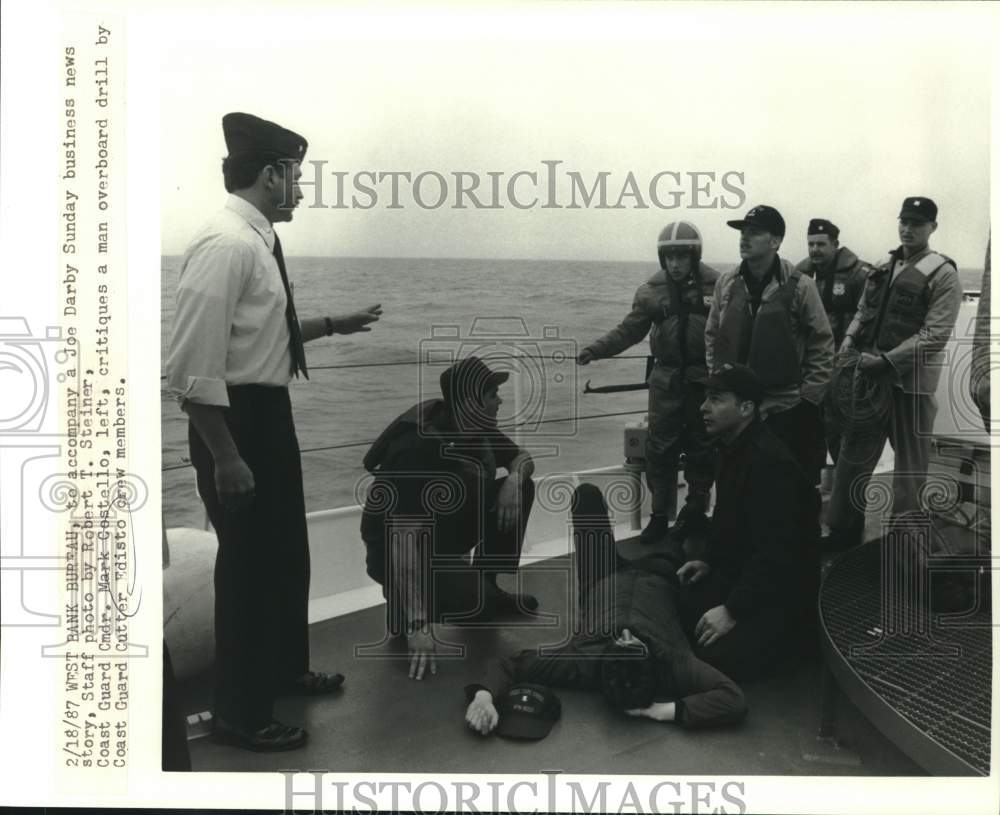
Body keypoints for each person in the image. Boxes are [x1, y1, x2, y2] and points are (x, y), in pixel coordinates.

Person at [165, 112, 383, 752]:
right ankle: (239, 712)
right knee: (248, 573)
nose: (302, 190)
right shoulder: (227, 245)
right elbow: (190, 370)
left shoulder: (254, 239)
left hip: (268, 413)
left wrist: (333, 324)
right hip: (236, 425)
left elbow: (258, 335)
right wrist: (226, 457)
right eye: (295, 176)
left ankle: (283, 670)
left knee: (287, 556)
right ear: (270, 174)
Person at [464, 481, 747, 734]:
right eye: (633, 642)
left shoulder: (580, 663)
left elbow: (510, 661)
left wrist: (484, 697)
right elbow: (732, 698)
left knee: (585, 494)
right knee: (679, 539)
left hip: (602, 576)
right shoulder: (674, 665)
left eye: (620, 642)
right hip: (658, 576)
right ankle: (688, 518)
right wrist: (662, 711)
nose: (626, 633)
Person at [361, 356, 538, 682]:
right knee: (474, 604)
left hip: (441, 535)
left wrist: (513, 481)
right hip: (395, 549)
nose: (500, 400)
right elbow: (402, 537)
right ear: (471, 402)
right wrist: (419, 625)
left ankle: (489, 584)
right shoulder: (419, 448)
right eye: (492, 395)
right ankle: (404, 608)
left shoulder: (477, 428)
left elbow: (521, 459)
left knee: (524, 486)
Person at [827, 197, 963, 549]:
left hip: (911, 388)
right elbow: (863, 309)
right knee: (851, 461)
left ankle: (901, 547)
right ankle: (842, 537)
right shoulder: (882, 268)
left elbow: (935, 335)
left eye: (917, 223)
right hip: (870, 385)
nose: (908, 228)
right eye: (904, 221)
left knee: (910, 472)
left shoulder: (943, 274)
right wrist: (850, 339)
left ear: (933, 227)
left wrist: (887, 362)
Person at [578, 222, 720, 546]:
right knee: (660, 450)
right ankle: (659, 517)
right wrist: (595, 350)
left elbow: (736, 331)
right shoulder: (651, 292)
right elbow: (628, 331)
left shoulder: (720, 286)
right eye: (668, 257)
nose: (674, 264)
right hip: (666, 382)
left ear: (694, 255)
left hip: (704, 381)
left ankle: (696, 510)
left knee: (703, 448)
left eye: (681, 257)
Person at [675, 363, 819, 681]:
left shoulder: (770, 464)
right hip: (746, 572)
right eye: (705, 398)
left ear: (746, 408)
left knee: (712, 658)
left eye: (715, 399)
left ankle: (790, 645)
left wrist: (732, 611)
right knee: (681, 600)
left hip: (784, 594)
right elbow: (732, 523)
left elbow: (779, 554)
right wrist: (709, 561)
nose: (703, 407)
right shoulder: (732, 449)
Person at [705, 205, 834, 487]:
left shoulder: (801, 286)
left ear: (775, 241)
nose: (744, 238)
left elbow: (822, 343)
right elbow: (713, 335)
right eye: (743, 232)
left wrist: (808, 398)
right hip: (737, 406)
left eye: (754, 233)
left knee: (787, 482)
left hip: (784, 404)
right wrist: (718, 385)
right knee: (735, 479)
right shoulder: (726, 283)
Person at [794, 218, 873, 463]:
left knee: (842, 424)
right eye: (811, 244)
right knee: (812, 424)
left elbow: (868, 315)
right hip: (813, 364)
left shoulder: (859, 275)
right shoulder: (800, 275)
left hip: (845, 364)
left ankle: (845, 479)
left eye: (821, 244)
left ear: (835, 244)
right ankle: (816, 480)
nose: (815, 249)